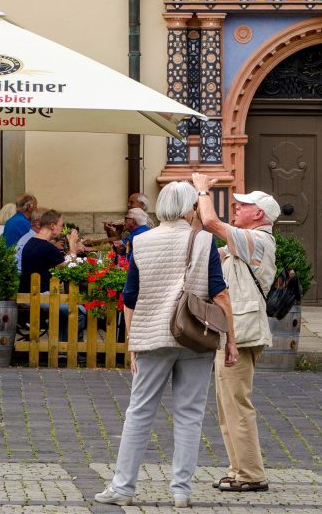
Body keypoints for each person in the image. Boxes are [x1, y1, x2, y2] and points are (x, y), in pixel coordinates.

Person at [95, 181, 238, 509]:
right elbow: (220, 294)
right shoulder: (204, 241)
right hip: (195, 337)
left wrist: (132, 343)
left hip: (152, 336)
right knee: (190, 413)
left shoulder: (142, 241)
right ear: (189, 207)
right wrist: (230, 339)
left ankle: (122, 487)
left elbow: (129, 297)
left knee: (139, 411)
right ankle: (180, 491)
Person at [192, 172, 279, 493]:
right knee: (229, 404)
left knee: (237, 403)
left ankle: (251, 474)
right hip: (236, 330)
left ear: (259, 214)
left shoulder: (256, 239)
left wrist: (203, 192)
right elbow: (205, 235)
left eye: (243, 206)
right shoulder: (242, 242)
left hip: (241, 332)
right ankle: (240, 469)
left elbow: (212, 223)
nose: (236, 208)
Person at [19, 209, 85, 342]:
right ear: (52, 226)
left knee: (64, 310)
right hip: (39, 297)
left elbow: (60, 261)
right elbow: (67, 265)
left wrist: (71, 251)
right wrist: (73, 244)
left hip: (28, 295)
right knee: (79, 311)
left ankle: (61, 347)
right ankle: (69, 347)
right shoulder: (45, 247)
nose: (62, 229)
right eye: (61, 225)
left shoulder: (32, 243)